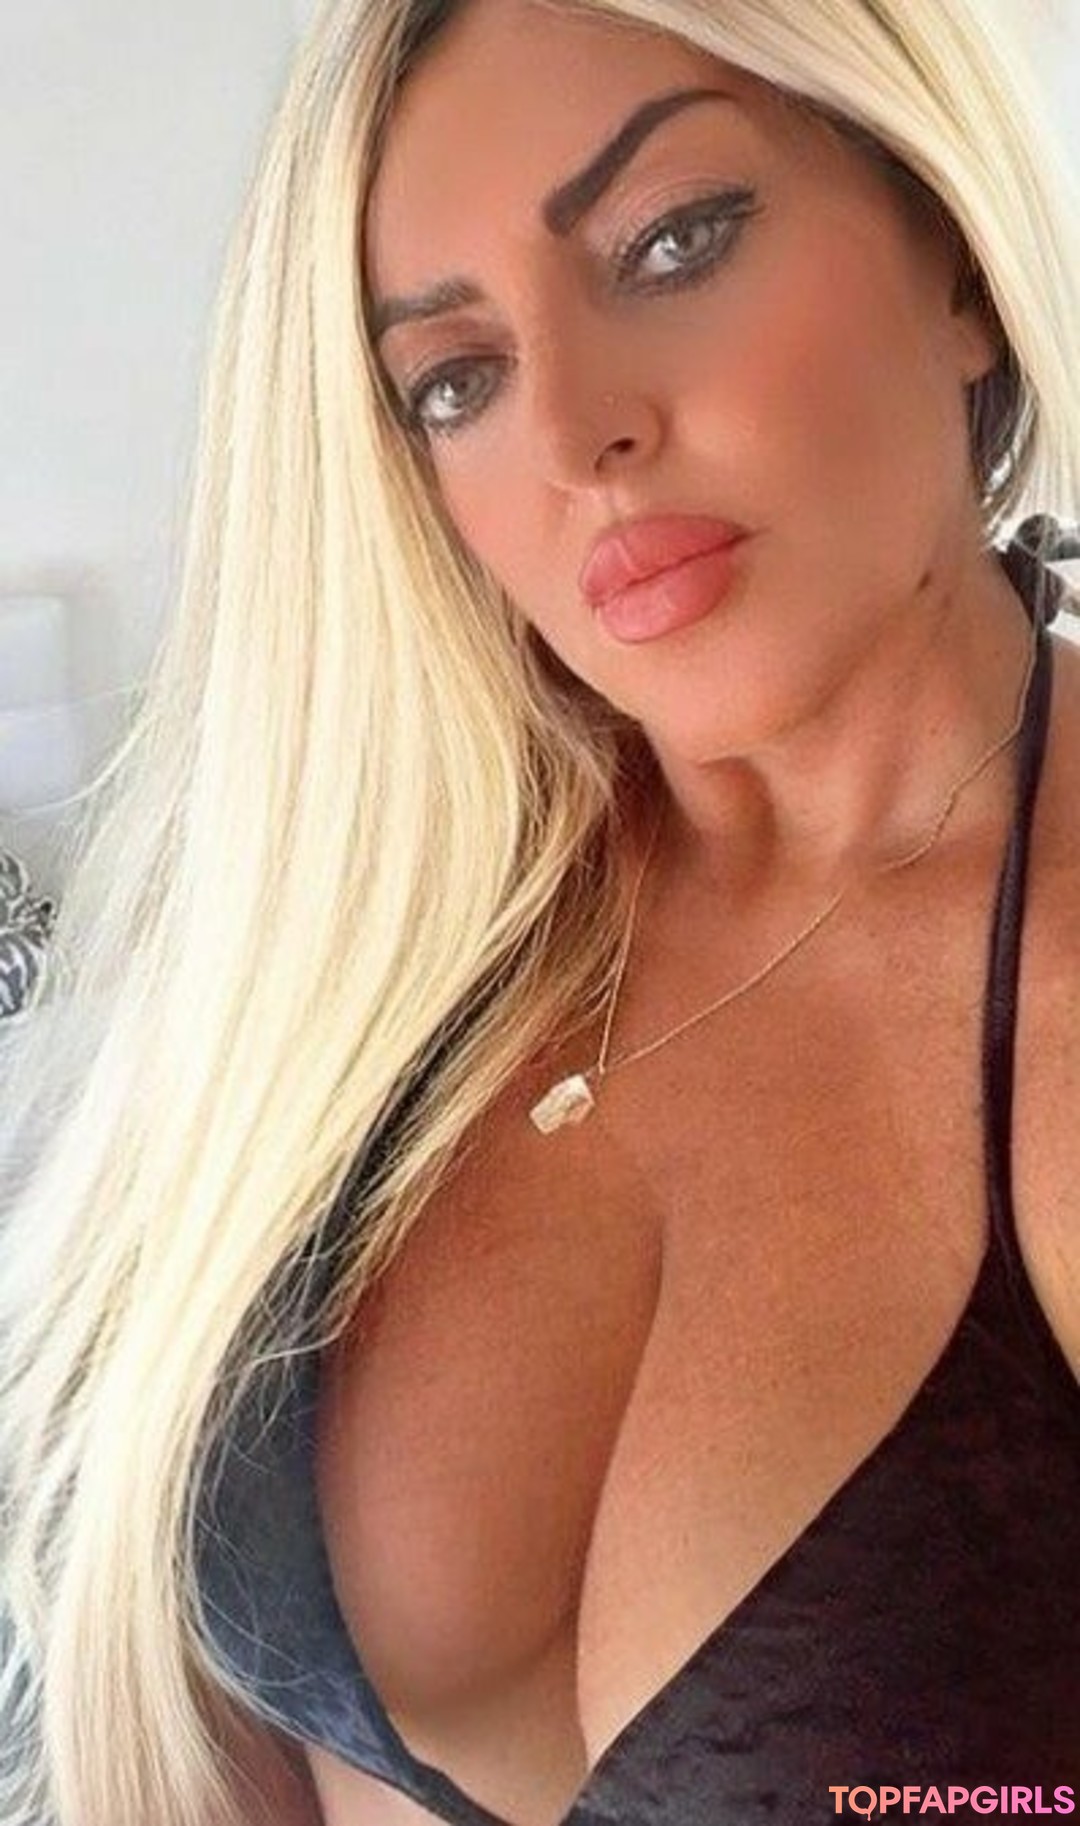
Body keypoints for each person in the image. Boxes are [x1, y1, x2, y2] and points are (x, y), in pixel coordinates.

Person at [3, 0, 1080, 1821]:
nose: (578, 433)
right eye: (456, 378)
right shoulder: (374, 932)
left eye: (674, 243)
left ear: (954, 254)